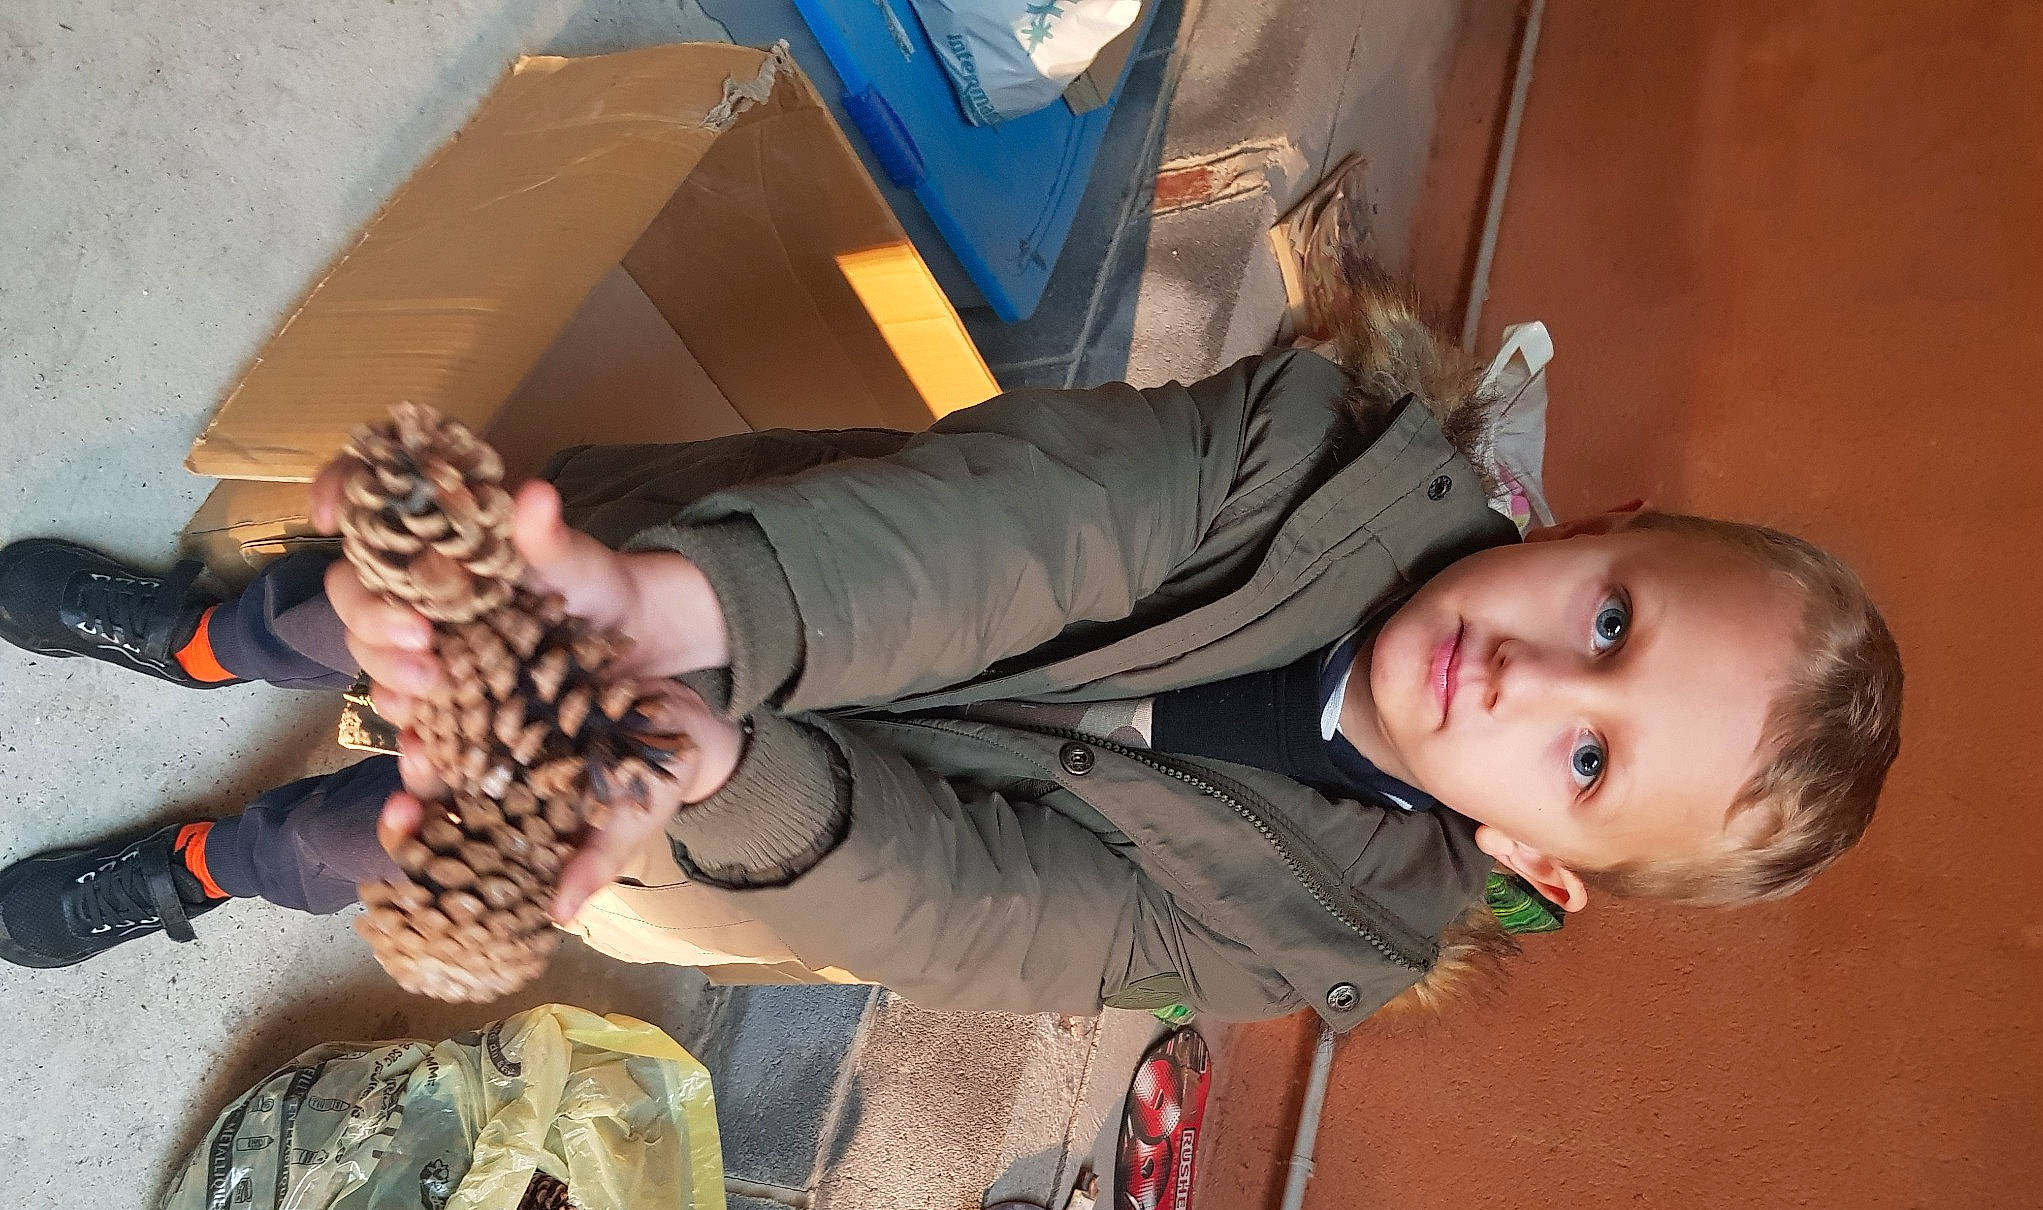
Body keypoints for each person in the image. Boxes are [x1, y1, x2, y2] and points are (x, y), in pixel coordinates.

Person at [0, 288, 1904, 1024]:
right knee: (373, 603)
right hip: (718, 570)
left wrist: (724, 768)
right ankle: (195, 635)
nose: (1536, 683)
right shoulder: (1307, 449)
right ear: (1608, 521)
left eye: (1590, 757)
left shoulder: (1320, 928)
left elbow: (997, 915)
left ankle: (196, 866)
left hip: (722, 801)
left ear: (1541, 866)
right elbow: (1029, 519)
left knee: (383, 839)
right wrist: (691, 619)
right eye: (1611, 626)